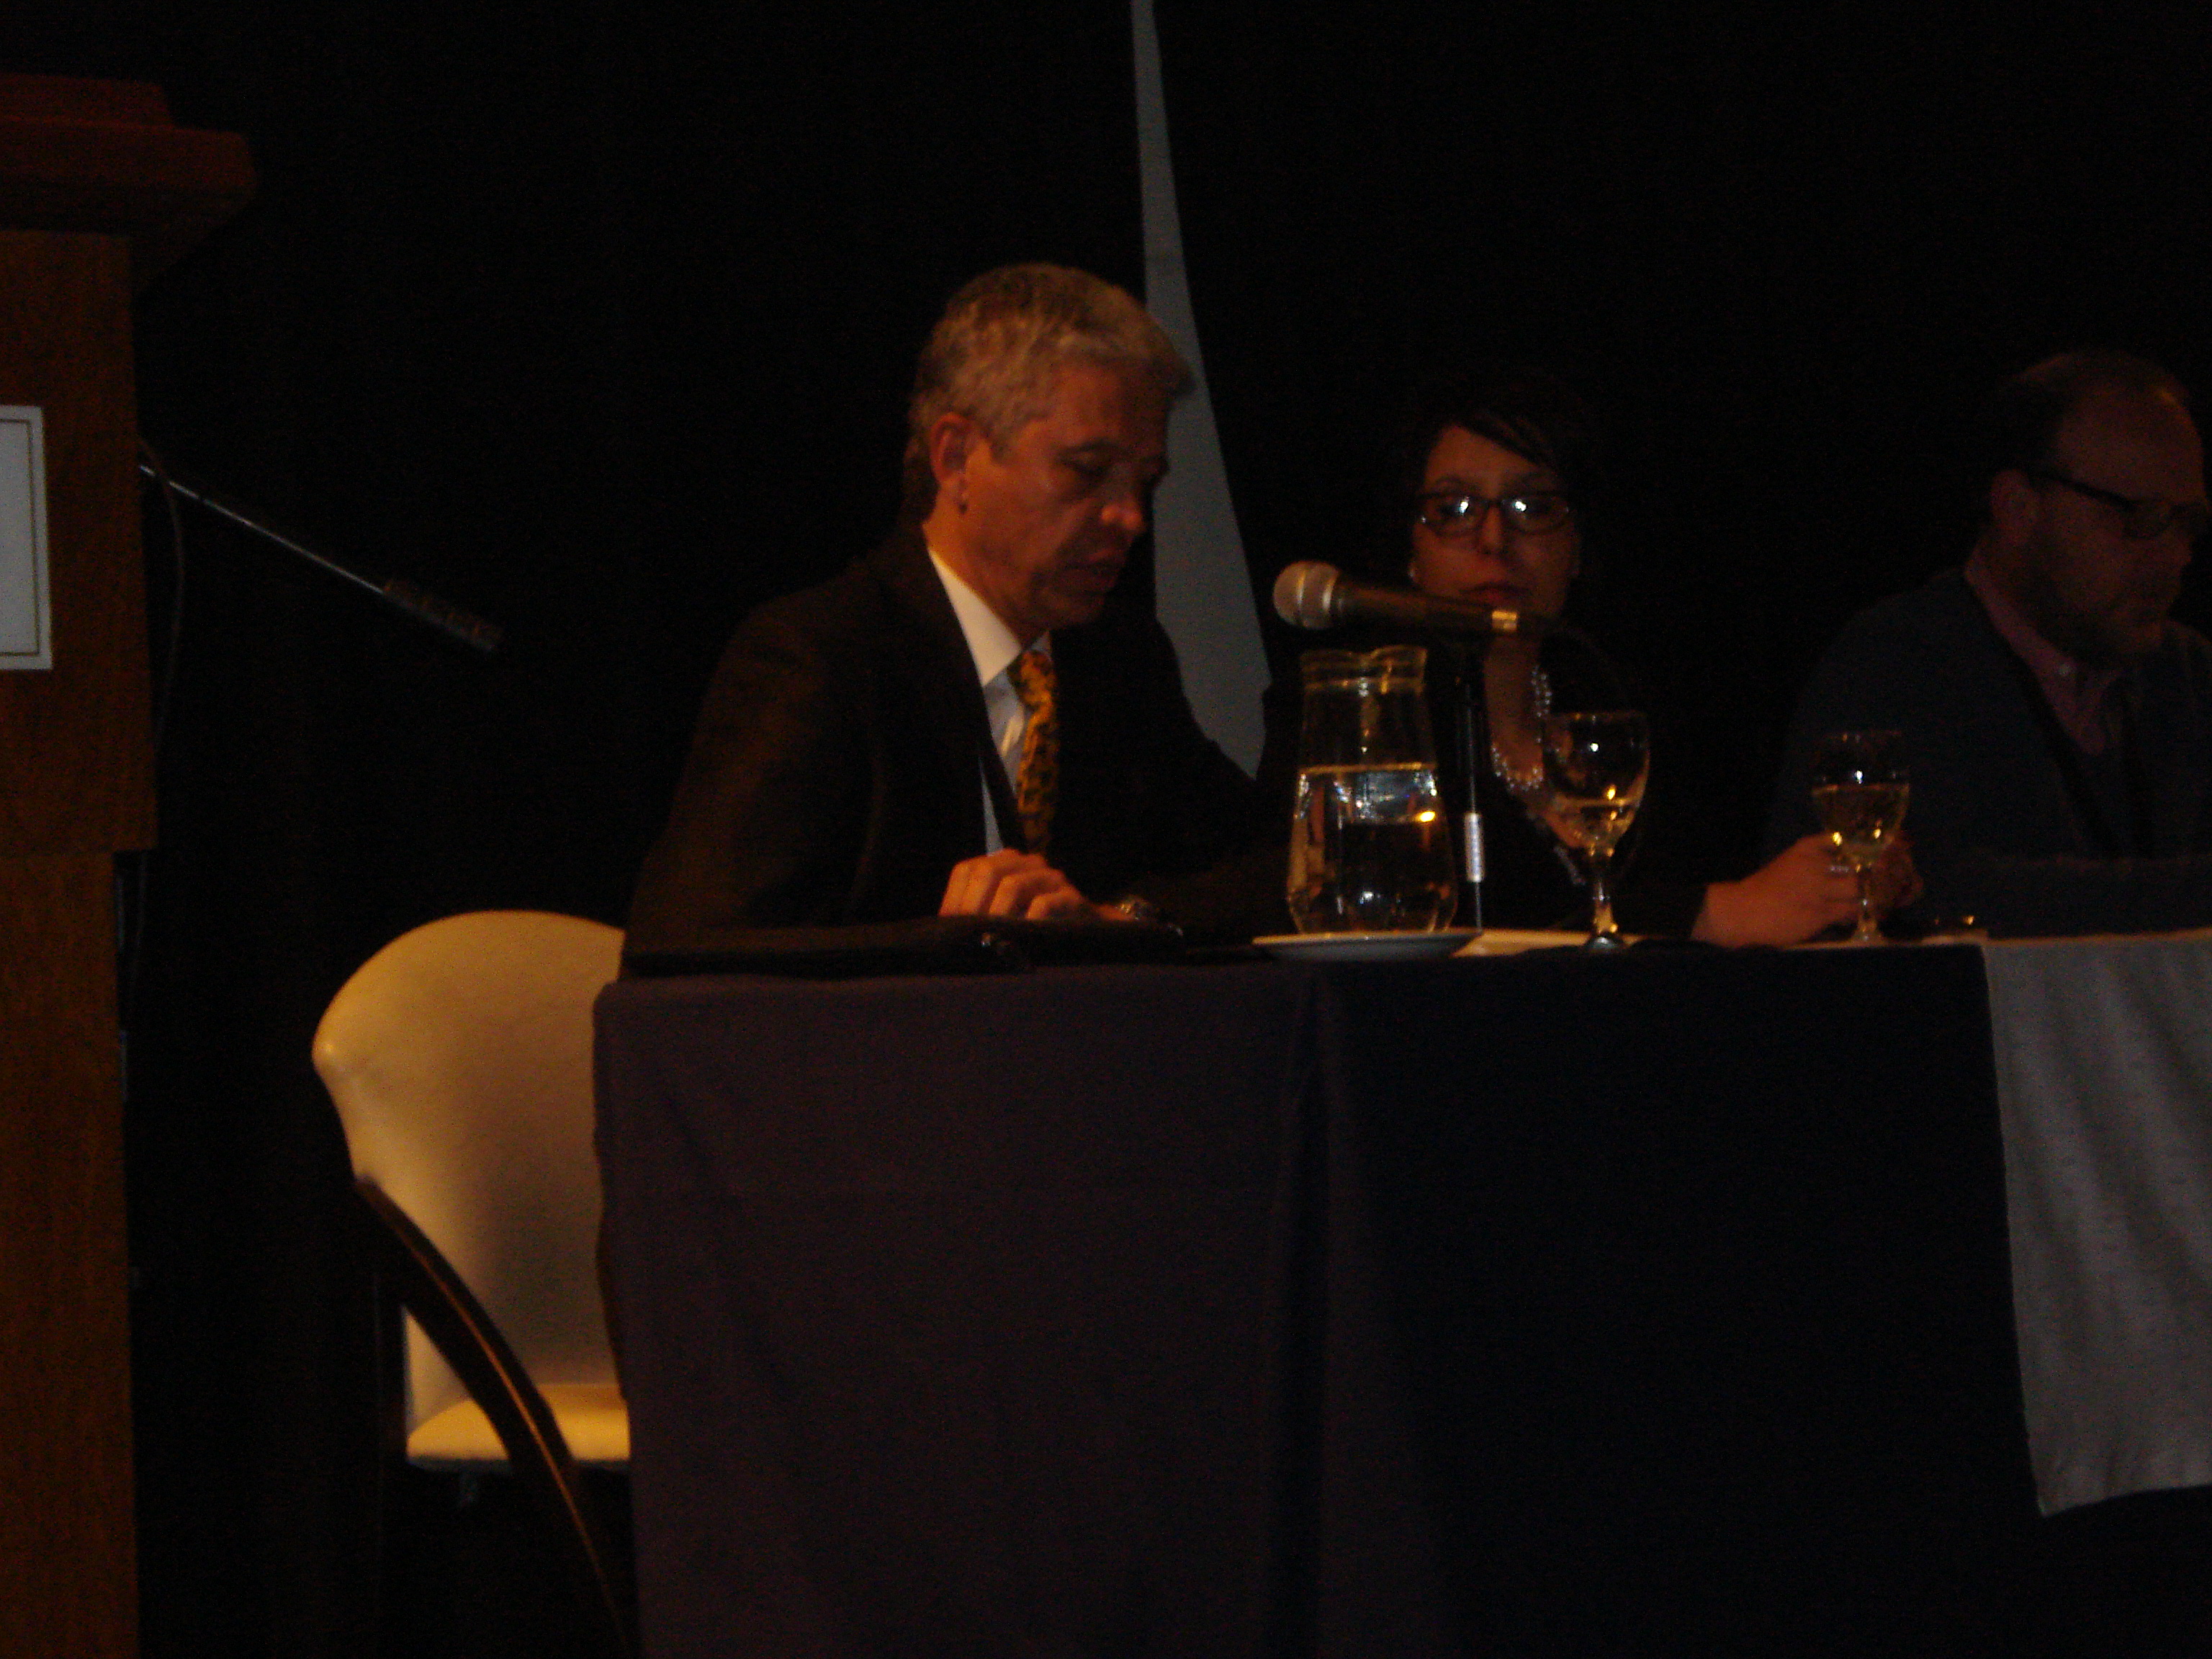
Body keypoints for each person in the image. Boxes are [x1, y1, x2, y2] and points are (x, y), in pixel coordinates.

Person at [626, 265, 1267, 953]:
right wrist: (944, 947)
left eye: (1146, 480)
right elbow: (687, 950)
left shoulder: (1120, 660)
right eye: (1087, 469)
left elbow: (1280, 871)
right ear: (957, 457)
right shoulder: (818, 659)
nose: (1131, 517)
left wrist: (1123, 921)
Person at [1264, 369, 1881, 943]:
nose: (1494, 540)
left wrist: (1831, 888)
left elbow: (1720, 877)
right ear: (1411, 550)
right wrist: (1709, 914)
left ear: (1578, 545)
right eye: (1454, 511)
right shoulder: (1360, 717)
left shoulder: (1615, 697)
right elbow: (1387, 926)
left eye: (1533, 508)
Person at [1766, 350, 2212, 938]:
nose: (2177, 556)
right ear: (2019, 509)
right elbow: (1900, 895)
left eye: (2188, 523)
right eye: (2143, 518)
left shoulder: (2187, 675)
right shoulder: (1897, 665)